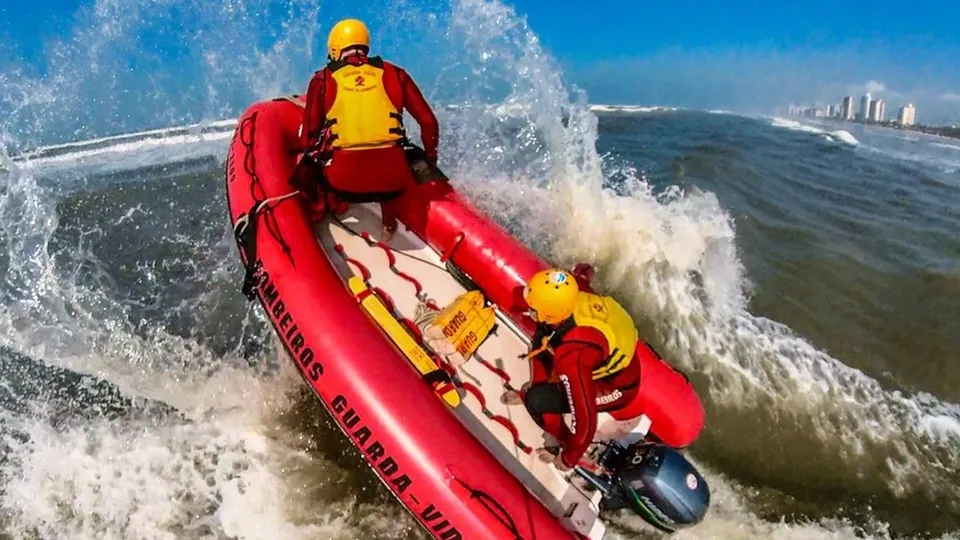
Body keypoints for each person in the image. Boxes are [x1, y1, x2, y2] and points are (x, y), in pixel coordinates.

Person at [295, 18, 439, 241]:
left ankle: (326, 209)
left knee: (312, 159)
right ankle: (388, 226)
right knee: (392, 157)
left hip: (342, 182)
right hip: (393, 182)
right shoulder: (396, 73)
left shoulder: (323, 79)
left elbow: (308, 138)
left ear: (334, 48)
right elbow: (428, 123)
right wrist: (430, 156)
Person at [502, 266, 647, 471]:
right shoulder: (573, 291)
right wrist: (584, 269)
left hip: (615, 387)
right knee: (540, 341)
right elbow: (582, 272)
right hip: (597, 356)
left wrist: (568, 459)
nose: (528, 309)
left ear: (548, 311)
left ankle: (561, 441)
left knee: (537, 399)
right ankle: (537, 392)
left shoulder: (574, 358)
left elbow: (585, 420)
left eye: (533, 307)